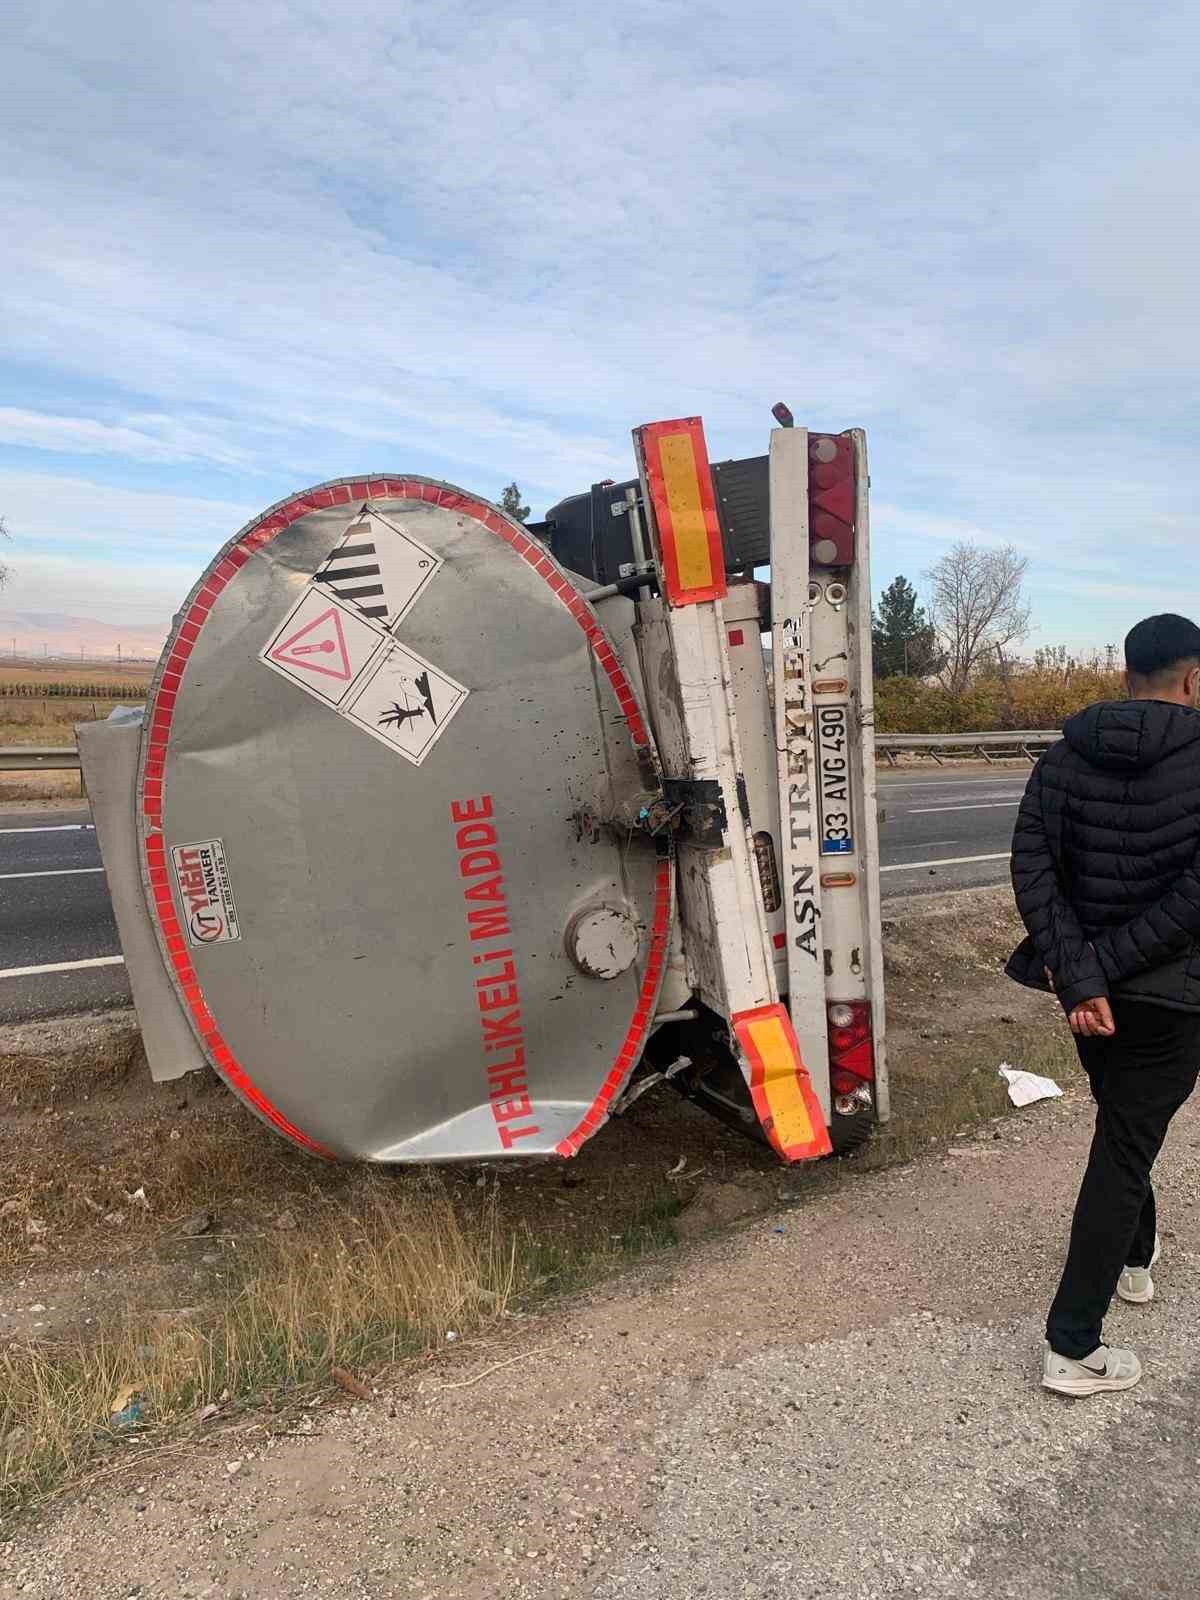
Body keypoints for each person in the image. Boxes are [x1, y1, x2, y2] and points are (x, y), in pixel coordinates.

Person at [1007, 613, 1200, 1397]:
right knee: (1124, 1146)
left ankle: (1134, 1255)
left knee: (1124, 1119)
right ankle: (1072, 1346)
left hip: (1090, 1001)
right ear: (1193, 681)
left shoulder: (1061, 758)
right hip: (1172, 1000)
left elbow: (1031, 868)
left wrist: (1084, 977)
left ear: (1126, 678)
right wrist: (1104, 972)